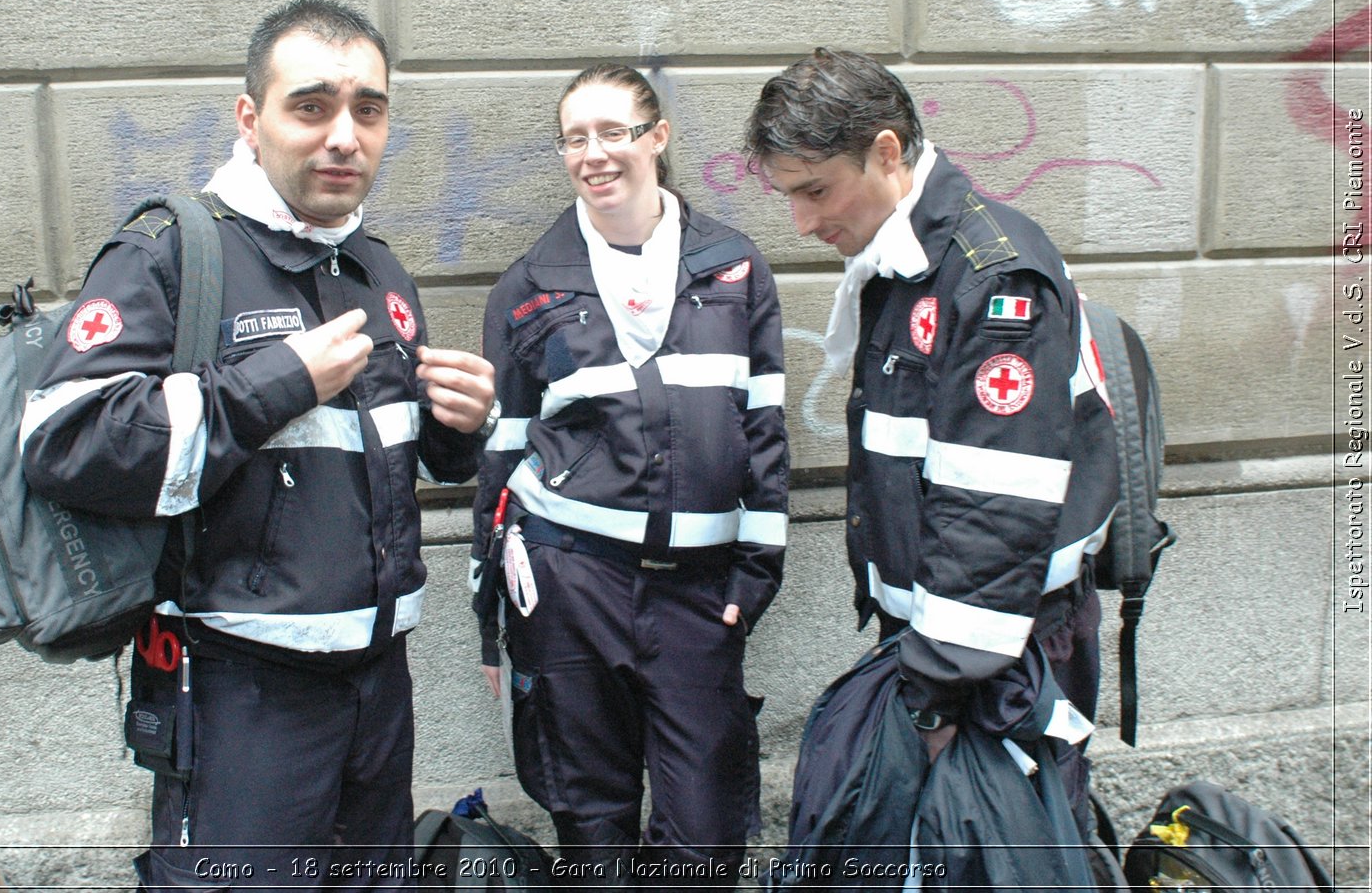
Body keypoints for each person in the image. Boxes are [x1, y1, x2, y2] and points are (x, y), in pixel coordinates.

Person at [21, 0, 496, 889]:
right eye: (310, 107)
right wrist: (273, 383)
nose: (344, 137)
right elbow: (61, 440)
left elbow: (381, 460)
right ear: (251, 119)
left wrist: (461, 431)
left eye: (368, 109)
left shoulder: (376, 267)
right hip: (242, 694)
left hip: (378, 689)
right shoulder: (172, 252)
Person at [743, 48, 1116, 781]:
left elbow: (994, 506)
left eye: (817, 191)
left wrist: (935, 694)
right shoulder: (911, 261)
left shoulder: (990, 277)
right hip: (947, 647)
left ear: (886, 153)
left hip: (1000, 655)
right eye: (790, 195)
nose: (801, 221)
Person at [471, 64, 789, 886]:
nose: (593, 154)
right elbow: (502, 456)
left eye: (613, 131)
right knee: (592, 822)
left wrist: (755, 577)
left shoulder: (734, 268)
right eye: (575, 137)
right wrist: (489, 613)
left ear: (658, 137)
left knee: (705, 834)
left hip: (698, 595)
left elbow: (764, 430)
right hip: (572, 591)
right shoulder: (529, 285)